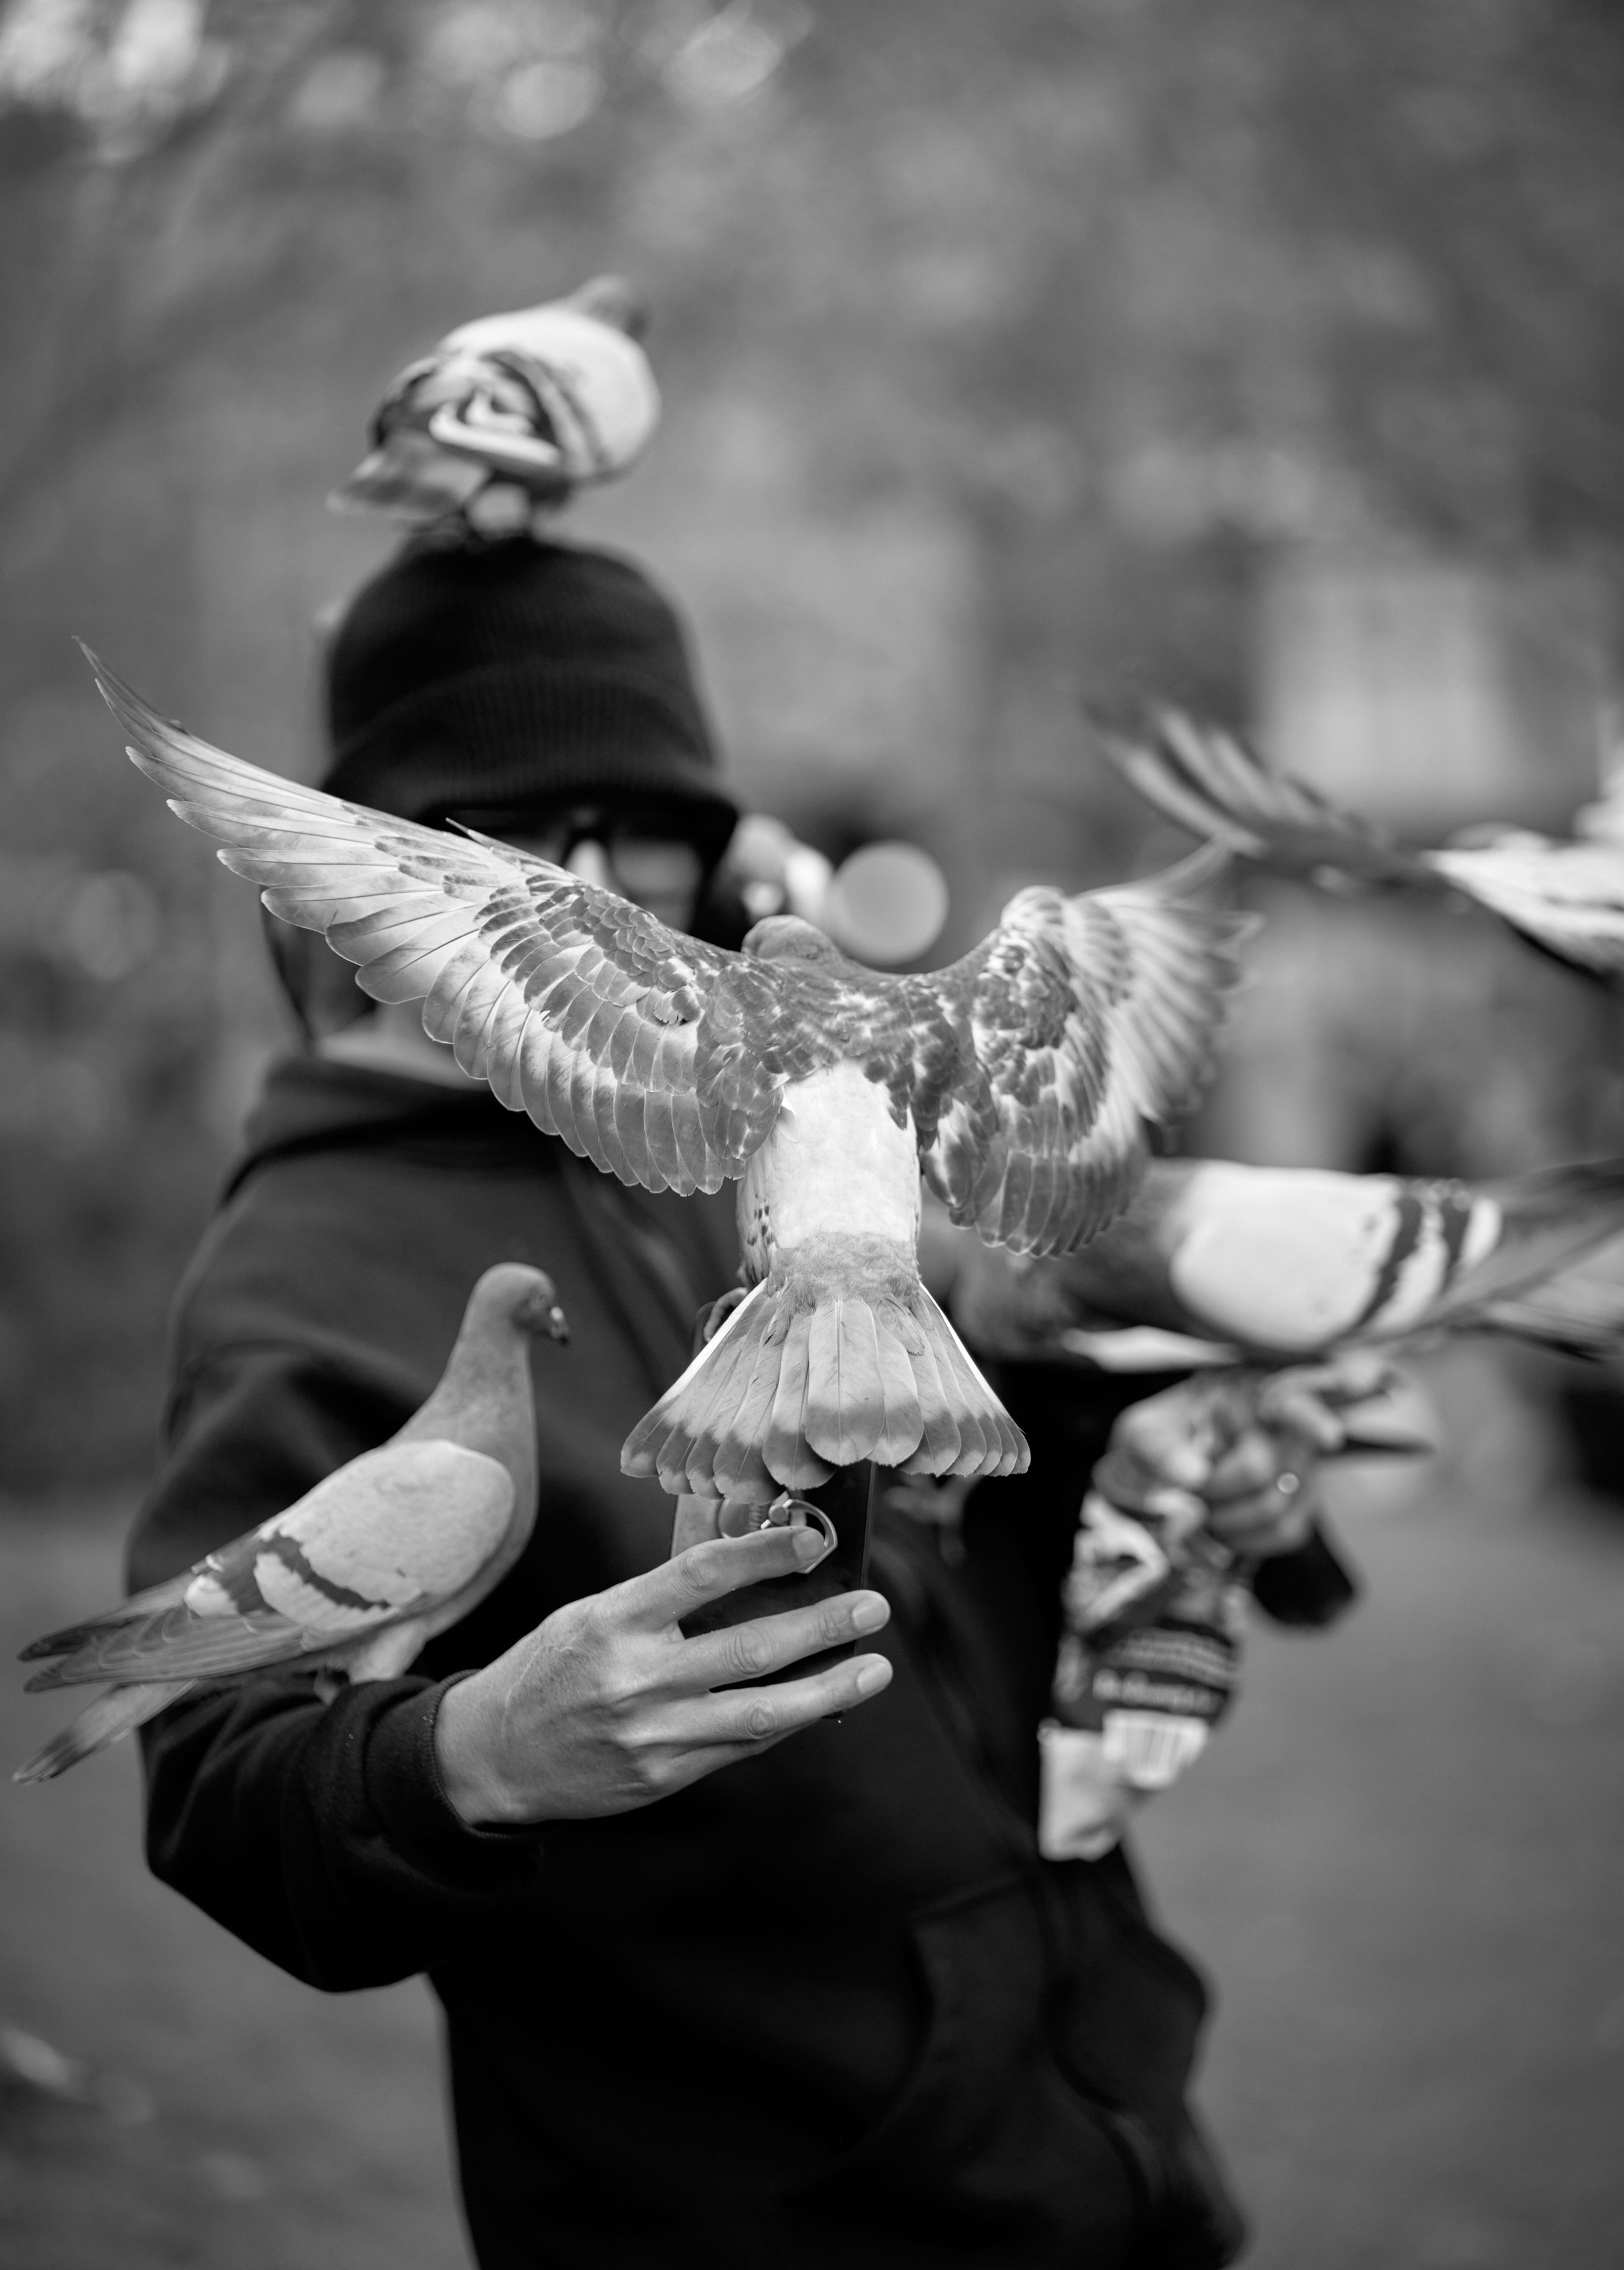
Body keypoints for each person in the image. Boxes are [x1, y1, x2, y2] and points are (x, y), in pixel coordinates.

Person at [130, 530, 1356, 2270]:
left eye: (646, 823)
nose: (605, 874)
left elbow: (949, 1549)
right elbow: (211, 1791)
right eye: (519, 832)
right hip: (728, 2219)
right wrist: (469, 1753)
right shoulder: (307, 1262)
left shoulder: (764, 1098)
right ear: (385, 886)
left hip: (1092, 2155)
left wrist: (1137, 1450)